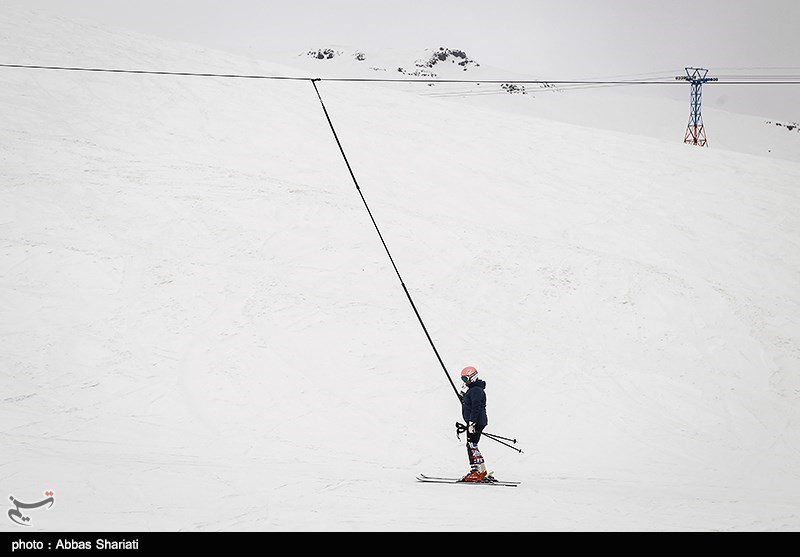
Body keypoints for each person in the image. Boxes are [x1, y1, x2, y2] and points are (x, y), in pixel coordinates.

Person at [459, 365, 492, 482]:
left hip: (476, 421)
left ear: (472, 377)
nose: (464, 381)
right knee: (473, 445)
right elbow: (470, 404)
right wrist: (464, 397)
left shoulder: (476, 390)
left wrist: (472, 422)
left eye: (465, 378)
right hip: (476, 421)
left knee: (471, 445)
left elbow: (476, 408)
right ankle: (482, 471)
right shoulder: (474, 390)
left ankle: (477, 472)